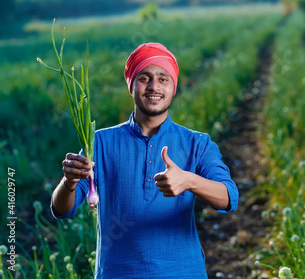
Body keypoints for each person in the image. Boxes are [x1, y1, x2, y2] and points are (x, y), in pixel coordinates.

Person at [51, 42, 239, 278]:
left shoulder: (197, 143)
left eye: (163, 79)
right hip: (117, 273)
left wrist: (189, 181)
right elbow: (61, 210)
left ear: (173, 87)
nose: (154, 87)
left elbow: (229, 197)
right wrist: (69, 181)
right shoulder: (98, 143)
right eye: (144, 78)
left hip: (183, 272)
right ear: (131, 85)